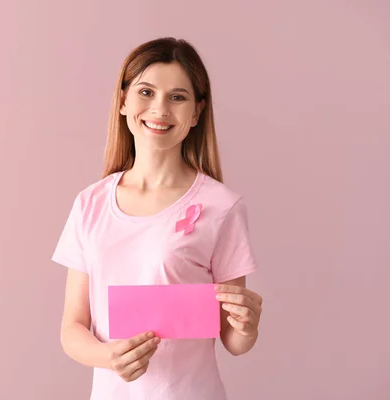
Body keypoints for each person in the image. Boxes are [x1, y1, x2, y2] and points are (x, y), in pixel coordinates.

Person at [52, 37, 263, 400]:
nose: (160, 108)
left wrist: (247, 328)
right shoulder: (91, 203)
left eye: (177, 97)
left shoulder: (222, 206)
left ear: (196, 113)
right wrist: (109, 356)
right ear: (123, 101)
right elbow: (72, 327)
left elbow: (233, 340)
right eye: (146, 92)